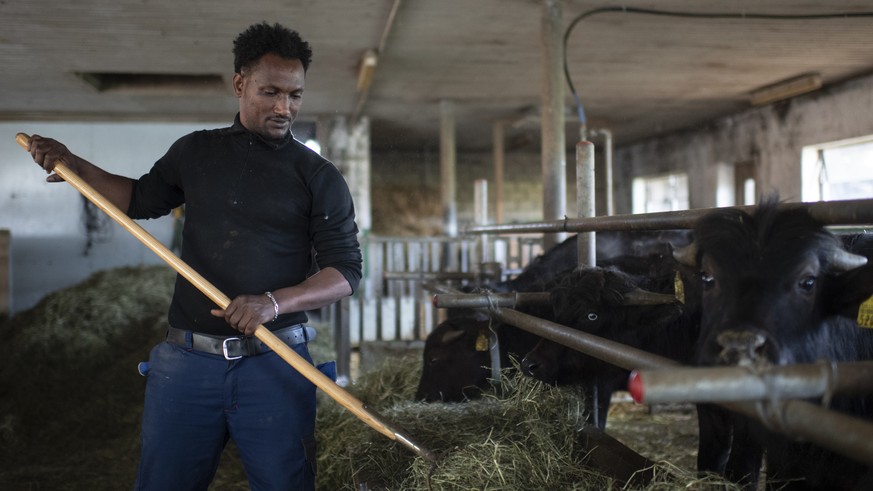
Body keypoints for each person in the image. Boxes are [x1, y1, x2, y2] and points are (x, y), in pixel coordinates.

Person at [26, 22, 362, 490]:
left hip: (276, 362)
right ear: (239, 84)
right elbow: (139, 199)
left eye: (295, 95)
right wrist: (75, 165)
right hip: (186, 365)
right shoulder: (195, 152)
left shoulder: (318, 176)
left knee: (285, 482)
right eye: (270, 92)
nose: (285, 107)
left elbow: (345, 272)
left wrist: (273, 302)